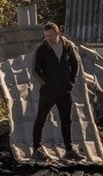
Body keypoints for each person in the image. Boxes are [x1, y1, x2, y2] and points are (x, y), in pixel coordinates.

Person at [31, 22, 81, 161]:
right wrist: (46, 83)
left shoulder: (67, 46)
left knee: (66, 121)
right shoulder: (41, 49)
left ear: (58, 34)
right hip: (48, 92)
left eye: (51, 36)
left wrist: (72, 80)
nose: (48, 38)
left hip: (65, 91)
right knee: (40, 119)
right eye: (46, 36)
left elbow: (75, 63)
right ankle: (36, 149)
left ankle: (69, 150)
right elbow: (35, 70)